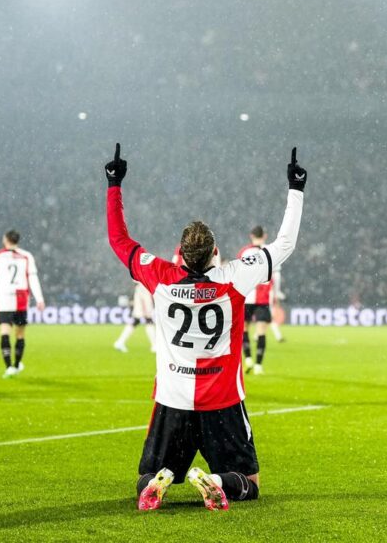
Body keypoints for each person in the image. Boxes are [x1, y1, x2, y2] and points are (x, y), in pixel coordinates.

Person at [105, 144, 306, 512]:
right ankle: (216, 481)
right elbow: (286, 243)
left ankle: (158, 481)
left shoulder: (161, 277)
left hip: (172, 398)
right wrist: (296, 189)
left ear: (179, 255)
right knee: (250, 484)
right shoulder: (235, 277)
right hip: (223, 400)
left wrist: (114, 184)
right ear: (216, 253)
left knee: (145, 477)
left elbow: (119, 240)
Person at [0, 230, 45, 378]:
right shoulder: (26, 256)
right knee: (20, 334)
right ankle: (17, 365)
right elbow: (33, 278)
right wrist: (39, 298)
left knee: (5, 331)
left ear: (5, 239)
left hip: (4, 297)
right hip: (21, 298)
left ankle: (8, 367)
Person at [239, 226, 274, 375]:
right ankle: (259, 365)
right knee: (261, 331)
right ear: (264, 236)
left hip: (247, 296)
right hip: (263, 297)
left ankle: (248, 359)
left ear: (251, 235)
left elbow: (239, 273)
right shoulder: (270, 252)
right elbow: (274, 275)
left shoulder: (244, 252)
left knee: (244, 329)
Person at [113, 282, 157, 353]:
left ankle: (120, 342)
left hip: (143, 287)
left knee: (137, 320)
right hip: (144, 288)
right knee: (147, 319)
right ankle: (154, 345)